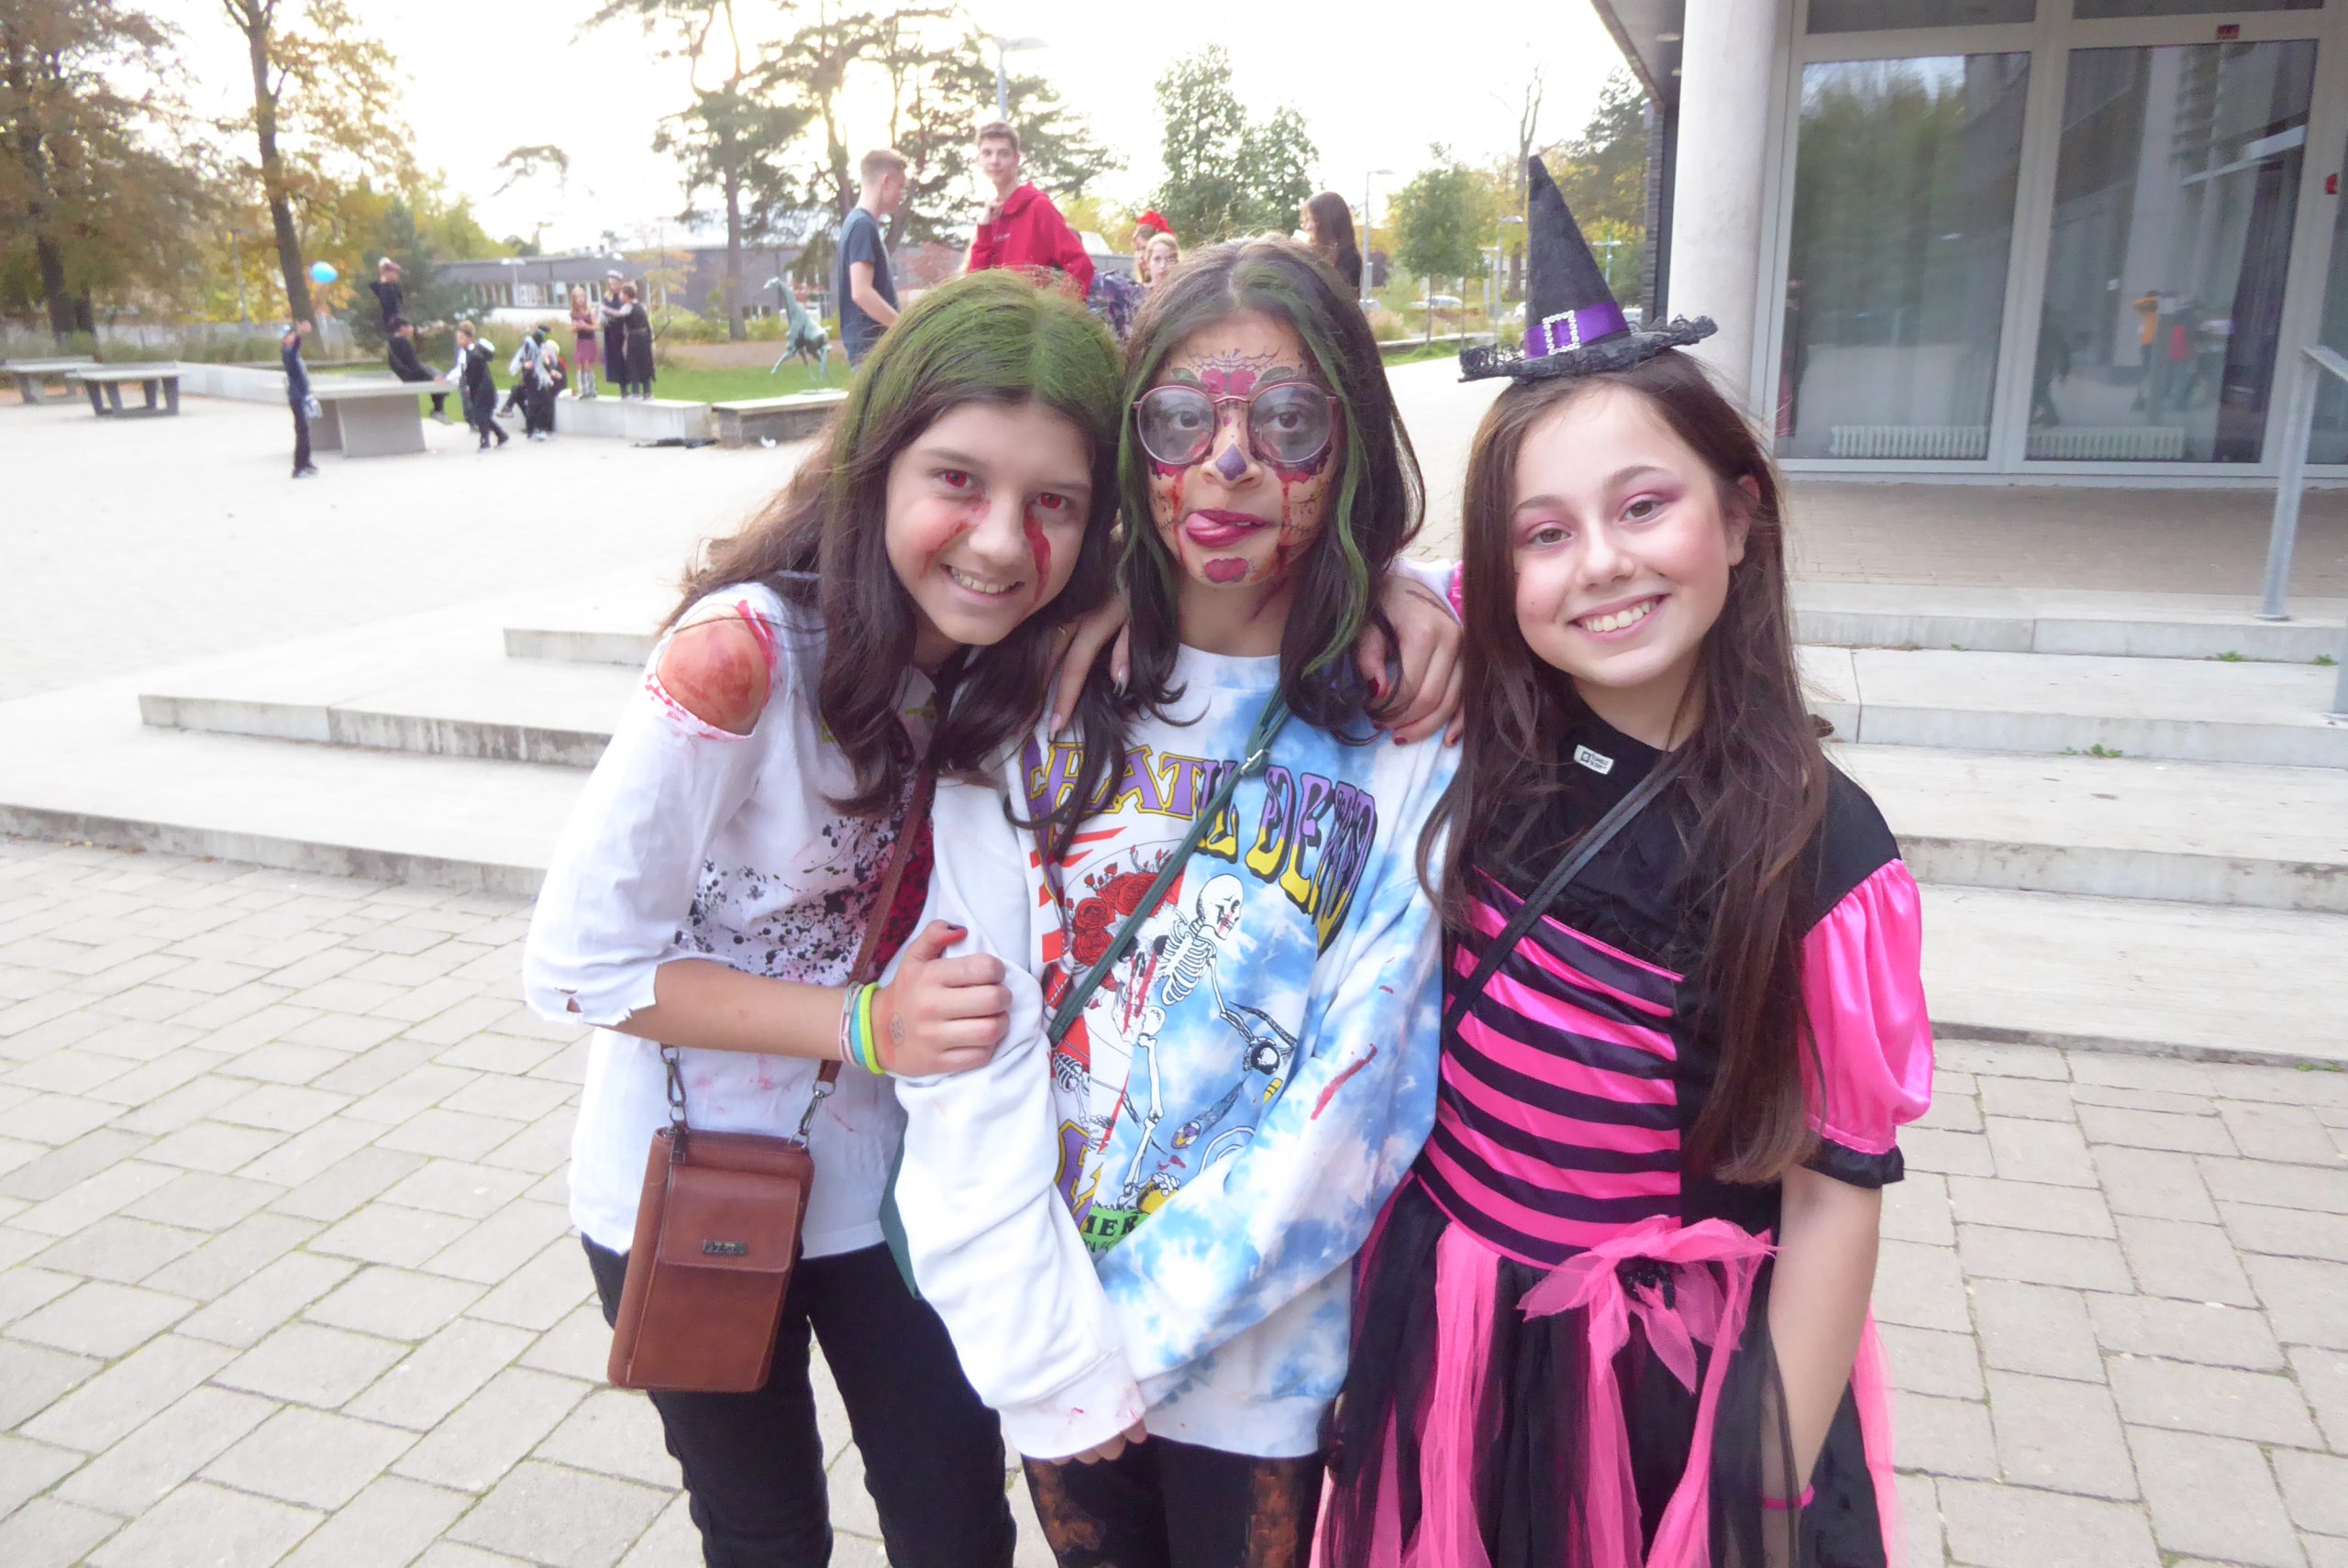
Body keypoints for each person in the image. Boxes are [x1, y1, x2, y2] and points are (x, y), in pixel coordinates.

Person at [1320, 160, 1932, 1568]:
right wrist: (1408, 596)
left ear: (1741, 514)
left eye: (1644, 507)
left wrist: (1759, 1494)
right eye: (1546, 533)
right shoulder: (1483, 739)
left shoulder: (1818, 846)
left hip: (1648, 1378)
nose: (1599, 563)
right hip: (1451, 1322)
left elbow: (1836, 1195)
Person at [890, 237, 1458, 1568]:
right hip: (1052, 1322)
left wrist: (1126, 1341)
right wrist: (1044, 1343)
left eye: (1292, 422)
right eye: (1181, 420)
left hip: (1264, 1359)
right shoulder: (1034, 699)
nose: (1232, 461)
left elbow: (1363, 1079)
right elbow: (970, 1043)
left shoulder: (1407, 725)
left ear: (1353, 446)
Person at [966, 121, 1095, 299]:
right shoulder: (991, 216)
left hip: (1030, 314)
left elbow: (1081, 265)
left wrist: (1057, 308)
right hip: (998, 315)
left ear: (1017, 159)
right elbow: (976, 284)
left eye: (1003, 153)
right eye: (987, 153)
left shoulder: (1038, 207)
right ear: (979, 160)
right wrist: (984, 229)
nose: (994, 160)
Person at [836, 148, 905, 370]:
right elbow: (861, 292)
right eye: (900, 186)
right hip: (872, 353)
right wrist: (905, 328)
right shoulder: (862, 226)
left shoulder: (857, 223)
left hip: (870, 353)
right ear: (886, 181)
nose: (901, 195)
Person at [384, 315, 449, 424]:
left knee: (436, 372)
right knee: (440, 377)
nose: (411, 329)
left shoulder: (393, 341)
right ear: (402, 328)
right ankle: (438, 410)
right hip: (410, 375)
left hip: (405, 373)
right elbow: (414, 365)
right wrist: (432, 376)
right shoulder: (402, 342)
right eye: (409, 326)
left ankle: (439, 409)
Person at [455, 320, 507, 450]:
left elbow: (471, 373)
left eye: (461, 338)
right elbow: (461, 371)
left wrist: (467, 385)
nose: (458, 341)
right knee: (482, 415)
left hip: (483, 388)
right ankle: (501, 435)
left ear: (468, 338)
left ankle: (485, 440)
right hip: (477, 387)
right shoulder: (466, 353)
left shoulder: (475, 354)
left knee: (480, 415)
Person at [1301, 192, 1363, 293]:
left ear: (1331, 223)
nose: (1308, 227)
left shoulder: (1349, 260)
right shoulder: (1308, 252)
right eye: (1305, 220)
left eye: (1315, 220)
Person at [282, 319, 318, 479]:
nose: (291, 337)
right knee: (302, 430)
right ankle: (299, 467)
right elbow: (295, 346)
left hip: (303, 395)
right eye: (289, 335)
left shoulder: (293, 354)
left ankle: (306, 460)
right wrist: (299, 335)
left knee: (305, 429)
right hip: (297, 397)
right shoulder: (288, 353)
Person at [522, 336, 566, 439]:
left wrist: (553, 372)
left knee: (544, 403)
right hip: (535, 386)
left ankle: (537, 429)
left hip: (545, 387)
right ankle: (533, 429)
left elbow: (559, 377)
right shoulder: (536, 358)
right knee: (536, 403)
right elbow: (529, 373)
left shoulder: (554, 362)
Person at [618, 283, 655, 398]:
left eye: (621, 293)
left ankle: (640, 391)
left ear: (626, 295)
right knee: (640, 363)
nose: (620, 296)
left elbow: (619, 316)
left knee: (636, 363)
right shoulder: (639, 306)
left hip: (637, 338)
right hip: (642, 337)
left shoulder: (629, 307)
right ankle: (643, 390)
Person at [501, 327, 546, 419]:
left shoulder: (538, 350)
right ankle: (508, 408)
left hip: (537, 386)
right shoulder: (531, 347)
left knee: (519, 391)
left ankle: (508, 408)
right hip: (530, 383)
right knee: (516, 390)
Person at [569, 284, 602, 399]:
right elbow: (572, 329)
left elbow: (596, 326)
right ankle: (583, 390)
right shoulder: (573, 313)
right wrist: (575, 327)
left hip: (590, 341)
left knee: (588, 364)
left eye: (582, 296)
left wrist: (585, 326)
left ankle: (591, 389)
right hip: (580, 341)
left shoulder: (590, 311)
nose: (580, 299)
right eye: (577, 297)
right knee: (580, 364)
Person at [602, 271, 628, 391]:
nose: (614, 286)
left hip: (621, 330)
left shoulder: (623, 296)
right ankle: (621, 387)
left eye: (615, 283)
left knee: (624, 358)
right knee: (615, 360)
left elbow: (622, 313)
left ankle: (628, 386)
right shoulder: (607, 296)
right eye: (611, 284)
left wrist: (608, 310)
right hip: (610, 331)